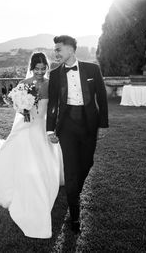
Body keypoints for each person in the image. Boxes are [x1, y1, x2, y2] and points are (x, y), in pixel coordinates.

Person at [0, 52, 64, 239]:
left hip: (44, 127)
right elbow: (19, 109)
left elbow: (55, 108)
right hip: (26, 127)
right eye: (36, 68)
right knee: (21, 155)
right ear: (32, 67)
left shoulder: (51, 84)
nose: (39, 72)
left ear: (47, 67)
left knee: (44, 158)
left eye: (43, 68)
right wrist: (23, 108)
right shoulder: (24, 83)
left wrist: (53, 129)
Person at [47, 35, 109, 234]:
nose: (56, 53)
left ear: (71, 50)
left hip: (89, 124)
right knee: (71, 169)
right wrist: (50, 129)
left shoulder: (92, 69)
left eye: (59, 49)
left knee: (87, 163)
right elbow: (53, 104)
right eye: (55, 49)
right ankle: (75, 216)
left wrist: (103, 125)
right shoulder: (55, 74)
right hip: (66, 127)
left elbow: (102, 97)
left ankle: (75, 190)